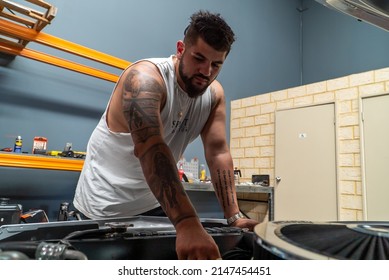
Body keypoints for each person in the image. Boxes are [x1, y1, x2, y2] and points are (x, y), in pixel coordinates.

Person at [73, 10, 259, 260]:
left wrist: (234, 216)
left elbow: (217, 152)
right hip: (103, 208)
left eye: (216, 64)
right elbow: (151, 147)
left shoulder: (214, 95)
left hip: (154, 205)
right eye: (199, 58)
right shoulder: (145, 80)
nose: (206, 71)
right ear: (181, 48)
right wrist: (187, 222)